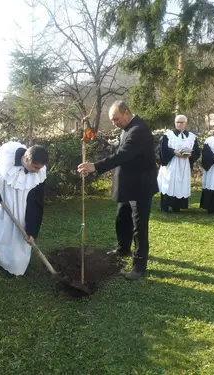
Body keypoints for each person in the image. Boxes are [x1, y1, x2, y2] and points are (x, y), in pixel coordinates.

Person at [77, 100, 157, 281]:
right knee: (122, 217)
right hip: (128, 183)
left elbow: (123, 155)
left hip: (140, 185)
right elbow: (121, 152)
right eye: (112, 120)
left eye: (116, 119)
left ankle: (139, 266)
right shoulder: (127, 128)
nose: (114, 123)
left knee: (139, 226)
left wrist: (95, 166)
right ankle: (123, 248)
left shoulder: (139, 130)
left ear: (127, 113)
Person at [0, 141, 48, 276]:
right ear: (26, 158)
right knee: (1, 231)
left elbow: (36, 203)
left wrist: (32, 231)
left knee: (17, 240)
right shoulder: (6, 154)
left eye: (40, 168)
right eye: (35, 167)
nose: (37, 171)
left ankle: (13, 265)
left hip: (22, 211)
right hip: (2, 205)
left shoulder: (39, 173)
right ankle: (1, 259)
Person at [157, 114, 200, 213]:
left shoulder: (192, 137)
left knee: (181, 184)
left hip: (184, 165)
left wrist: (189, 155)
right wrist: (173, 152)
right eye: (177, 122)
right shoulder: (168, 135)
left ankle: (177, 207)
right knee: (169, 184)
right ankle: (165, 207)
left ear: (185, 123)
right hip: (171, 164)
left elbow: (197, 151)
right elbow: (163, 150)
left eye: (181, 122)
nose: (179, 124)